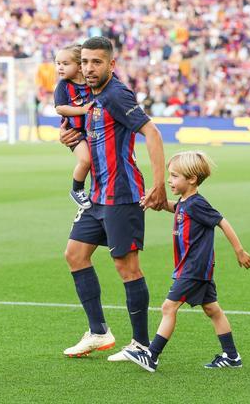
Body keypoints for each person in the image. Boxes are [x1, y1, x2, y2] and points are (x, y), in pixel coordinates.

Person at [59, 36, 167, 361]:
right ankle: (98, 332)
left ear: (111, 65)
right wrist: (72, 139)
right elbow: (99, 141)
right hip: (97, 195)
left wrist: (159, 184)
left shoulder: (116, 94)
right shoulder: (89, 97)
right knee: (75, 255)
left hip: (121, 195)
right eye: (86, 62)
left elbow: (152, 132)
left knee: (126, 267)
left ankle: (142, 346)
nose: (90, 68)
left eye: (97, 62)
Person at [124, 151, 250, 372]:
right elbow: (176, 208)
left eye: (174, 176)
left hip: (193, 268)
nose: (169, 180)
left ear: (191, 179)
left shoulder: (197, 204)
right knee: (213, 310)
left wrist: (239, 250)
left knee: (168, 307)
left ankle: (152, 356)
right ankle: (232, 356)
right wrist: (158, 203)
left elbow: (221, 221)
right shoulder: (186, 202)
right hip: (195, 269)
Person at [54, 44, 94, 209]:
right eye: (58, 63)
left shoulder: (92, 83)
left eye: (65, 63)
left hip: (93, 132)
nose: (60, 67)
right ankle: (77, 189)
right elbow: (60, 108)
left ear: (79, 67)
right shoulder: (63, 86)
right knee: (85, 160)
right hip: (75, 133)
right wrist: (82, 110)